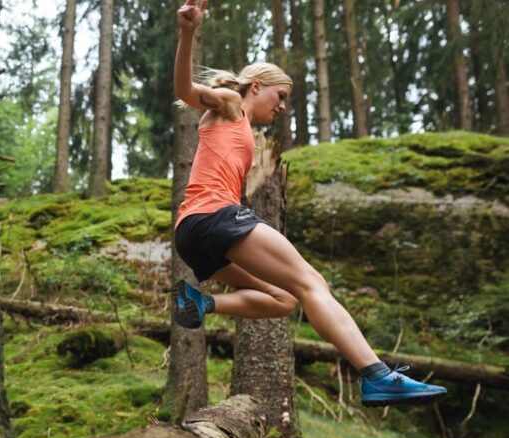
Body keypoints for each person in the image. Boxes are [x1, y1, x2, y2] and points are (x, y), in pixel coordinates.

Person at [170, 0, 446, 407]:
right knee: (313, 282)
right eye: (279, 96)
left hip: (191, 233)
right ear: (257, 86)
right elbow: (185, 91)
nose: (281, 107)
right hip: (212, 217)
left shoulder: (243, 129)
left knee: (284, 300)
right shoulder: (231, 105)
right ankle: (376, 375)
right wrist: (188, 32)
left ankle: (200, 302)